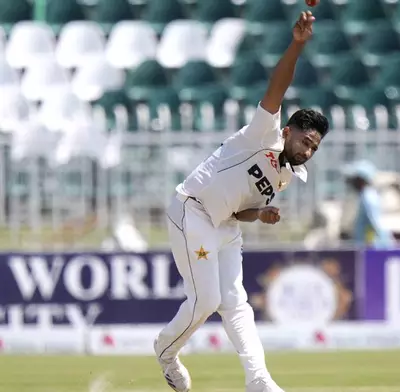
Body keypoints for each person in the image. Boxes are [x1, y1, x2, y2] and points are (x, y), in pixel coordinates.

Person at [154, 11, 327, 392]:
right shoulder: (262, 134)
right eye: (304, 141)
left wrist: (260, 213)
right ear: (287, 131)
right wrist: (297, 45)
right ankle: (166, 353)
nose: (307, 150)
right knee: (206, 301)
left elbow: (239, 208)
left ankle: (259, 380)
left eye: (314, 147)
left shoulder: (290, 174)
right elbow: (277, 86)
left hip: (228, 225)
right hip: (193, 210)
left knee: (235, 303)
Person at [343, 160, 395, 249]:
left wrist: (387, 244)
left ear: (361, 180)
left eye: (354, 179)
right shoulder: (364, 196)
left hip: (372, 249)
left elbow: (376, 222)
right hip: (363, 247)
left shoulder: (368, 197)